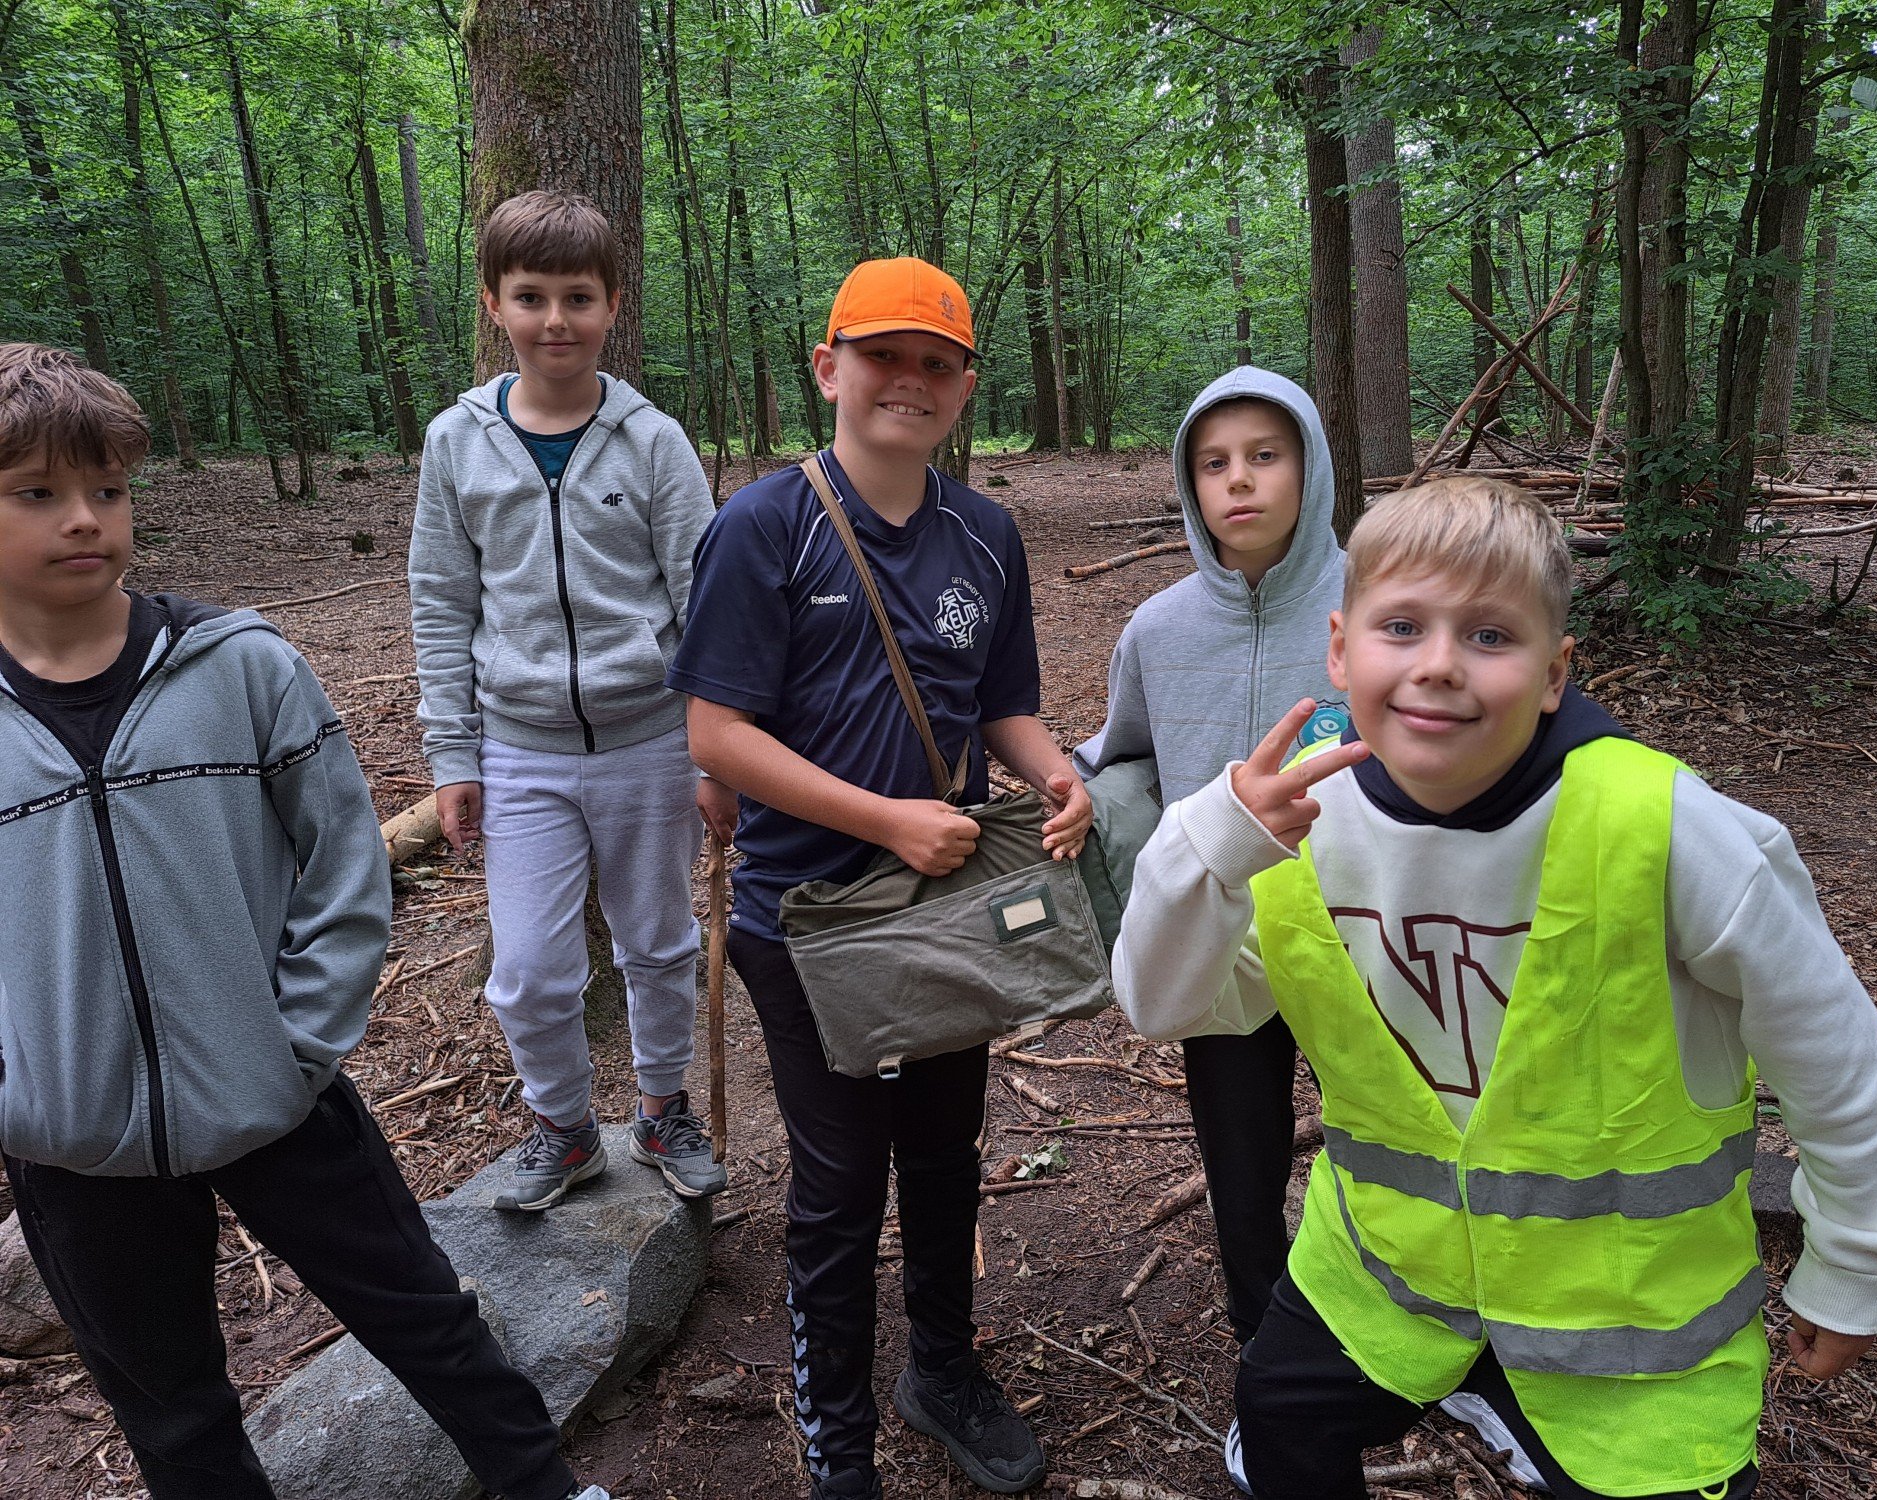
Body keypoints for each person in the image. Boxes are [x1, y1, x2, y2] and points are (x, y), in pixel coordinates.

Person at [1112, 475, 1877, 1499]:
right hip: (1387, 1276)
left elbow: (1834, 1057)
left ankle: (1512, 1396)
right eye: (1401, 626)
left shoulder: (1667, 830)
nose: (1438, 664)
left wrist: (1857, 1265)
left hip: (1631, 1332)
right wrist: (1203, 847)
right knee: (1277, 1414)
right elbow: (1163, 1005)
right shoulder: (1289, 829)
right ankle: (1473, 1379)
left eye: (1489, 636)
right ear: (1338, 650)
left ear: (1554, 674)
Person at [0, 342, 612, 1500]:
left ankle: (547, 1486)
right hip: (73, 1145)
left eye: (107, 489)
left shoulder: (237, 668)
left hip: (276, 1095)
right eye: (36, 492)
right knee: (170, 1406)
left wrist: (297, 1044)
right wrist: (20, 1092)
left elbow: (341, 862)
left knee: (425, 1315)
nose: (83, 518)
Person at [669, 257, 1090, 1500]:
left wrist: (1053, 771)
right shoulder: (763, 525)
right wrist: (884, 821)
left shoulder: (985, 534)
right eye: (882, 356)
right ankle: (837, 1441)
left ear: (963, 386)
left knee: (947, 1148)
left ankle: (942, 1369)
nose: (909, 380)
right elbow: (716, 734)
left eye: (936, 363)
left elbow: (1001, 702)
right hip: (805, 915)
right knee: (842, 1180)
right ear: (828, 369)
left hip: (943, 907)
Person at [410, 189, 731, 1213]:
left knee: (660, 943)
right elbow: (441, 602)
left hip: (650, 741)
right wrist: (453, 757)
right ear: (494, 304)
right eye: (531, 297)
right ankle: (561, 1126)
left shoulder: (652, 441)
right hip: (520, 750)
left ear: (612, 305)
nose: (556, 320)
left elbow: (705, 602)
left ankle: (661, 1109)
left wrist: (715, 750)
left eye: (578, 298)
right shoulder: (457, 442)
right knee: (530, 970)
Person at [1075, 367, 1348, 1356]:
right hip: (1221, 932)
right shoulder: (1158, 628)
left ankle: (1413, 1331)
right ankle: (1262, 1344)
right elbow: (1125, 754)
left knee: (1390, 1136)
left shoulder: (1376, 604)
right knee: (1239, 1153)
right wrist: (1077, 792)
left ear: (1309, 465)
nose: (1238, 480)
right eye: (1213, 462)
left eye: (1264, 456)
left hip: (1363, 929)